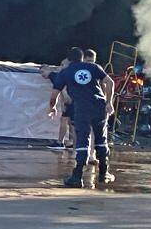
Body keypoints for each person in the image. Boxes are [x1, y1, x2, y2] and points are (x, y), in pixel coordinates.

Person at [48, 47, 115, 187]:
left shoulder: (65, 72)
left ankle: (77, 176)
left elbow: (54, 94)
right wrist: (109, 102)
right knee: (101, 139)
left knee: (83, 139)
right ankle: (104, 173)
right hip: (99, 106)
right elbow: (110, 82)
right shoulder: (93, 67)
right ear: (82, 57)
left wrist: (52, 107)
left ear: (69, 59)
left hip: (82, 109)